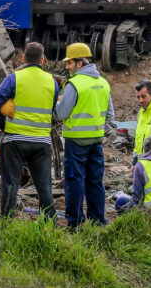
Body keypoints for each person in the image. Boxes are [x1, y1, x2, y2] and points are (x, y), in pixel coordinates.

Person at [0, 42, 59, 219]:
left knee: (11, 184)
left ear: (23, 58)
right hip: (42, 142)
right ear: (43, 60)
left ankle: (7, 221)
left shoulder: (15, 78)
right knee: (44, 186)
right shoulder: (52, 81)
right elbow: (52, 109)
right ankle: (50, 223)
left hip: (15, 140)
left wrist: (4, 124)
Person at [54, 42, 114, 229]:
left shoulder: (74, 84)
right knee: (95, 181)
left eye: (69, 63)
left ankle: (75, 222)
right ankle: (98, 220)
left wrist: (54, 106)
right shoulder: (103, 83)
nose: (67, 67)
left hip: (75, 144)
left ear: (79, 64)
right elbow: (110, 115)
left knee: (74, 180)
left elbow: (61, 114)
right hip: (96, 142)